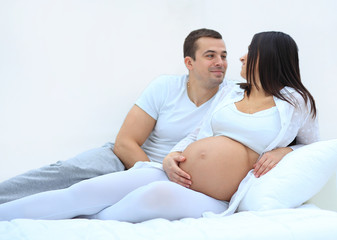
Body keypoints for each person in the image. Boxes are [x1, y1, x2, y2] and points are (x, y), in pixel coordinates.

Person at [0, 31, 319, 222]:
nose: (240, 58)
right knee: (86, 190)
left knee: (147, 198)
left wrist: (285, 150)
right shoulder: (231, 92)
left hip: (215, 195)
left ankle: (75, 227)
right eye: (213, 55)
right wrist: (171, 156)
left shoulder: (295, 103)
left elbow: (312, 148)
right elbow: (197, 134)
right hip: (169, 167)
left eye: (250, 51)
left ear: (270, 57)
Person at [0, 28, 228, 204]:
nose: (220, 62)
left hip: (172, 182)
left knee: (87, 202)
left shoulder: (233, 95)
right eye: (210, 55)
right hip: (126, 160)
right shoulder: (165, 87)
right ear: (189, 62)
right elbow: (125, 143)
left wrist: (267, 151)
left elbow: (261, 121)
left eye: (223, 56)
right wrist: (150, 175)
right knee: (64, 173)